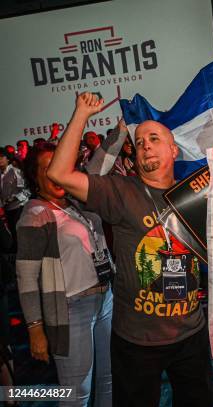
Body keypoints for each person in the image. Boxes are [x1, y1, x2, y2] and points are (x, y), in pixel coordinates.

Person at [47, 93, 213, 407]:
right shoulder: (120, 192)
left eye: (154, 138)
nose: (145, 144)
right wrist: (82, 113)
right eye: (139, 142)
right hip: (137, 342)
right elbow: (59, 175)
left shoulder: (196, 192)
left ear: (174, 149)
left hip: (191, 333)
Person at [16, 142, 113, 406]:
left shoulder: (77, 200)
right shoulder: (35, 214)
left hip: (105, 301)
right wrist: (35, 330)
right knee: (75, 393)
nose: (56, 173)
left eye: (61, 165)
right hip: (72, 310)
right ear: (35, 178)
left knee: (109, 382)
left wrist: (122, 130)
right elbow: (26, 280)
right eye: (47, 169)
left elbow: (100, 164)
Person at [0, 147, 30, 252]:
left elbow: (26, 190)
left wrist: (14, 198)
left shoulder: (16, 172)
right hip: (7, 209)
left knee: (21, 232)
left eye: (1, 157)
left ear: (8, 159)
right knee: (13, 232)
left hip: (19, 207)